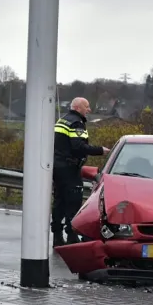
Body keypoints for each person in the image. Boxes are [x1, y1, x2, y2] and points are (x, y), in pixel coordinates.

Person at [52, 97, 110, 247]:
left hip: (58, 167)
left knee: (59, 201)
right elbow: (78, 147)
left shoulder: (62, 120)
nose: (89, 110)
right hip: (69, 169)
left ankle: (57, 236)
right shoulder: (76, 123)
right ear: (78, 108)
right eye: (87, 106)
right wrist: (100, 150)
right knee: (73, 202)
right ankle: (71, 236)